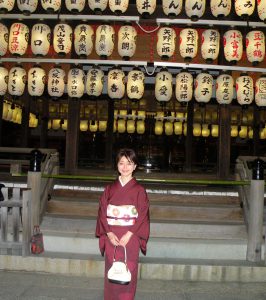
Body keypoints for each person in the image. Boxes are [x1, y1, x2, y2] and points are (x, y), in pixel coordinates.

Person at [95, 148, 150, 300]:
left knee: (128, 272)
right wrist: (109, 233)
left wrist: (130, 233)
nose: (125, 167)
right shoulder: (109, 189)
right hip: (112, 236)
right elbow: (102, 211)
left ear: (135, 166)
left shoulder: (139, 190)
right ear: (117, 165)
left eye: (129, 163)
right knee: (112, 272)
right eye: (121, 163)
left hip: (130, 237)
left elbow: (143, 214)